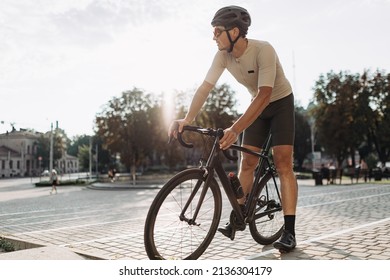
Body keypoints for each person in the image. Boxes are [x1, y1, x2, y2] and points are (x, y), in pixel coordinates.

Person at [169, 6, 298, 252]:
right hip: (257, 106)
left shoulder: (264, 49)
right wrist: (187, 118)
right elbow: (205, 88)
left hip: (279, 102)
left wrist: (235, 128)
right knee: (247, 163)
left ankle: (290, 232)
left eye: (217, 31)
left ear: (234, 31)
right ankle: (240, 213)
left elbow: (265, 94)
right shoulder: (222, 56)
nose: (213, 36)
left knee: (283, 163)